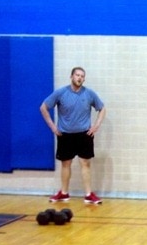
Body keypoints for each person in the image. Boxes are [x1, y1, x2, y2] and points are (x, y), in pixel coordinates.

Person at [40, 66, 106, 205]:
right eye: (77, 75)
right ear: (71, 77)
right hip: (65, 135)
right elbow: (43, 107)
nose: (79, 78)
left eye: (82, 76)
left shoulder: (89, 94)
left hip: (84, 135)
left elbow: (102, 108)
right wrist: (53, 127)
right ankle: (64, 193)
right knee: (66, 164)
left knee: (85, 163)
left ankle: (88, 195)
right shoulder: (61, 93)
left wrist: (96, 126)